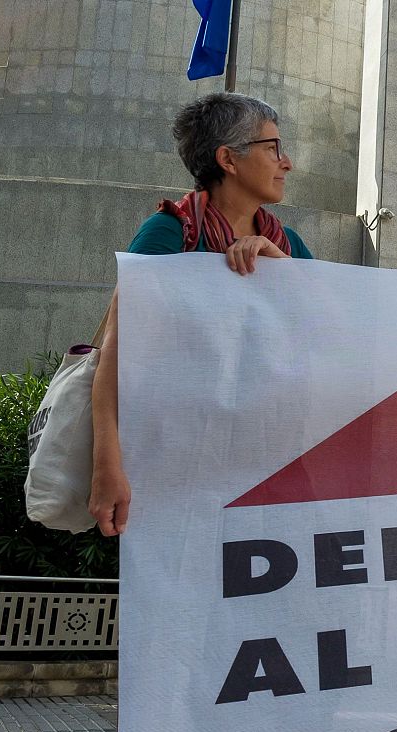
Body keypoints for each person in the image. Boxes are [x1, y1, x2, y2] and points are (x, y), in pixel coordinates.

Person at [88, 92, 315, 537]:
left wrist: (278, 266)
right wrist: (107, 464)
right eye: (273, 148)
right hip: (181, 459)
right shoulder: (170, 234)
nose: (285, 162)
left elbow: (340, 328)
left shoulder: (287, 244)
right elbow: (119, 353)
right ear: (228, 159)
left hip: (276, 454)